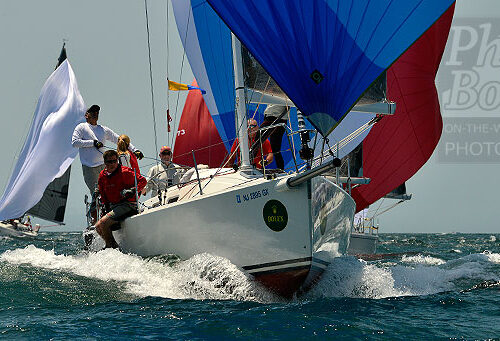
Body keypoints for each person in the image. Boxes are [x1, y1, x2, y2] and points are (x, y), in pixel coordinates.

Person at [72, 105, 144, 223]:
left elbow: (119, 139)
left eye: (97, 112)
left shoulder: (103, 129)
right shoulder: (81, 127)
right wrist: (93, 143)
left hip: (105, 166)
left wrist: (134, 150)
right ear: (86, 115)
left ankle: (112, 215)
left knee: (110, 192)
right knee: (96, 193)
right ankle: (95, 220)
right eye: (92, 112)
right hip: (89, 167)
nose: (95, 113)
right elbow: (75, 142)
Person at [95, 150, 147, 249]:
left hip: (128, 205)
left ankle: (110, 247)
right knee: (98, 226)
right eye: (110, 162)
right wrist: (106, 208)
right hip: (113, 206)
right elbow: (103, 193)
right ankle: (113, 246)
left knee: (103, 223)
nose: (113, 164)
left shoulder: (125, 172)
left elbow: (143, 181)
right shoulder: (102, 175)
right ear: (105, 163)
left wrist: (133, 190)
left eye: (115, 161)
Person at [259, 105, 289, 170]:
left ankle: (250, 163)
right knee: (275, 149)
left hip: (274, 117)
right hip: (278, 118)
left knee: (257, 138)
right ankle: (280, 168)